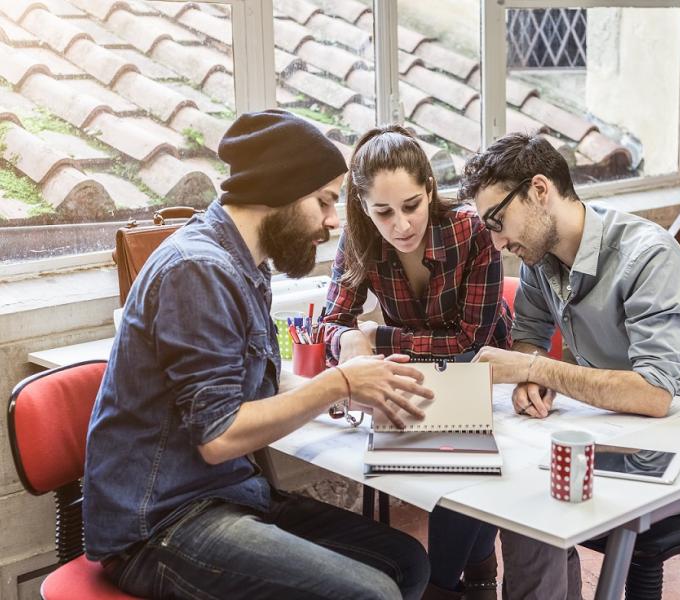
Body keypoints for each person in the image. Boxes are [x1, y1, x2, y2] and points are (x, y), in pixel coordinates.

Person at [83, 110, 434, 600]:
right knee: (372, 594)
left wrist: (357, 393)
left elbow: (260, 387)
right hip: (162, 524)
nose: (334, 221)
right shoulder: (197, 271)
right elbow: (219, 435)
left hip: (225, 495)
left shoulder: (246, 265)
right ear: (280, 193)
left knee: (408, 562)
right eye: (324, 202)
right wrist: (341, 383)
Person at [459, 133, 680, 600]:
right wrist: (530, 371)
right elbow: (530, 339)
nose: (499, 242)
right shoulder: (539, 259)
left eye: (499, 221)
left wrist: (542, 373)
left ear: (540, 190)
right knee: (515, 489)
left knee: (531, 498)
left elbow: (652, 394)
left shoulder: (648, 256)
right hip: (614, 428)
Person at [323, 126, 513, 600]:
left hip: (491, 373)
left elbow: (470, 340)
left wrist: (380, 336)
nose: (401, 225)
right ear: (363, 207)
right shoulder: (359, 238)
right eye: (383, 211)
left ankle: (442, 587)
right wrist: (348, 337)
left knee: (460, 457)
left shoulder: (471, 231)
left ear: (430, 188)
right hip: (419, 376)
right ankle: (479, 568)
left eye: (411, 205)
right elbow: (329, 323)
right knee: (438, 445)